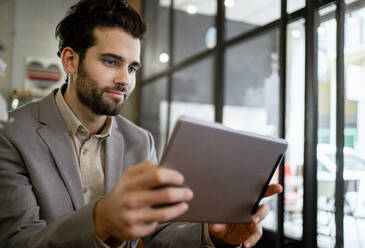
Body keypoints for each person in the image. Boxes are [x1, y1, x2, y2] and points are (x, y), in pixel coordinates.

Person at [0, 0, 282, 247]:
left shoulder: (140, 140)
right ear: (71, 61)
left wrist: (214, 235)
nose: (125, 79)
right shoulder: (13, 136)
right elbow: (17, 240)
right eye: (111, 62)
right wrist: (99, 222)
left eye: (132, 67)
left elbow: (157, 233)